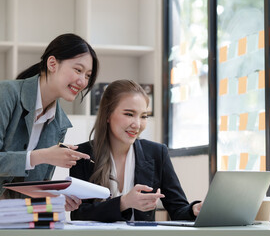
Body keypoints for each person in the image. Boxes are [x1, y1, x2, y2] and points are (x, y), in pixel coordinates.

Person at [0, 33, 99, 235]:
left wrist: (54, 198)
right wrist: (43, 156)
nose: (83, 81)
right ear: (52, 63)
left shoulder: (59, 124)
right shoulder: (4, 94)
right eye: (78, 70)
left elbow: (26, 186)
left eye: (88, 75)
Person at [70, 79, 202, 222]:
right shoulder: (82, 154)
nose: (137, 125)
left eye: (143, 116)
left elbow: (178, 210)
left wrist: (194, 209)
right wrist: (123, 203)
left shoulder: (157, 153)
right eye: (129, 114)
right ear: (107, 114)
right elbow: (78, 214)